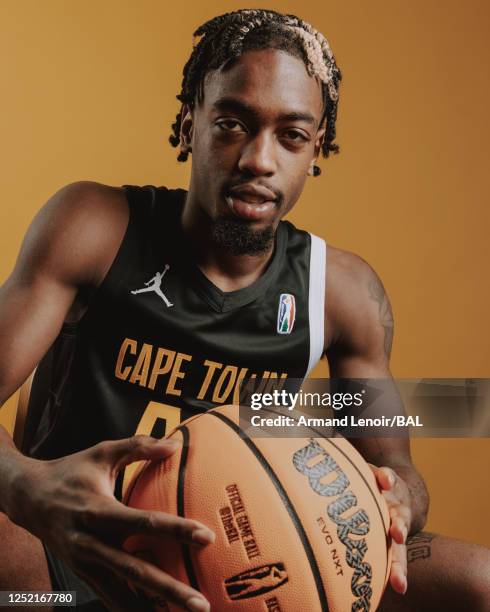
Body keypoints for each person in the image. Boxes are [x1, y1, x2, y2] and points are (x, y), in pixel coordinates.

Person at [0, 8, 488, 612]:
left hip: (254, 558)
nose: (259, 159)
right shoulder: (95, 228)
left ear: (317, 151)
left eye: (292, 135)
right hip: (71, 553)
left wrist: (396, 505)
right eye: (232, 123)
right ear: (187, 127)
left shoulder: (341, 294)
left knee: (480, 582)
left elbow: (397, 469)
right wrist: (23, 485)